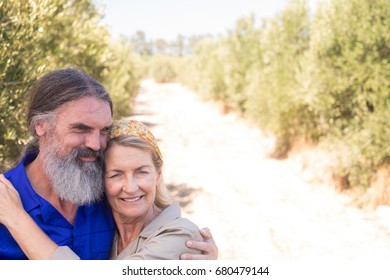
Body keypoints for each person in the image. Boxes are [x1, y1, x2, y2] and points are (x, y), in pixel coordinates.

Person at [0, 68, 217, 260]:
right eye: (80, 128)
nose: (95, 144)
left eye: (103, 130)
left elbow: (155, 231)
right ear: (41, 125)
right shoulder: (5, 200)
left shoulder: (110, 193)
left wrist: (199, 265)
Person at [0, 119, 207, 259]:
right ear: (101, 182)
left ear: (158, 175)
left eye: (142, 172)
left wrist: (16, 218)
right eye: (116, 174)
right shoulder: (108, 227)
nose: (130, 187)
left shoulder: (181, 235)